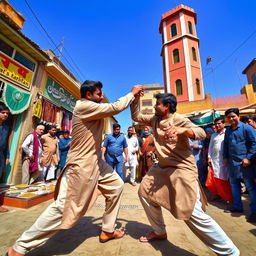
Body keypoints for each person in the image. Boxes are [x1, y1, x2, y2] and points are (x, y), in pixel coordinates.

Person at [7, 80, 144, 256]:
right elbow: (115, 107)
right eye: (98, 94)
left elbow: (118, 109)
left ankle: (108, 229)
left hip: (97, 162)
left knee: (117, 186)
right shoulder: (84, 106)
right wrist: (131, 93)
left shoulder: (93, 108)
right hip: (81, 165)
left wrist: (133, 99)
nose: (101, 97)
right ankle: (19, 248)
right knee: (63, 207)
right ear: (88, 95)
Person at [131, 93, 240, 256]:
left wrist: (183, 130)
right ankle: (159, 231)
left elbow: (201, 133)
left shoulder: (179, 119)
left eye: (157, 104)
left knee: (191, 211)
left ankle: (230, 252)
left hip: (182, 169)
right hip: (162, 168)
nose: (155, 107)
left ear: (167, 106)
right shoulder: (154, 119)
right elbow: (137, 116)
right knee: (144, 192)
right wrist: (134, 98)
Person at [223, 108, 256, 223]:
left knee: (250, 187)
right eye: (229, 117)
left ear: (238, 116)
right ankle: (237, 207)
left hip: (245, 163)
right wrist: (225, 157)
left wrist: (249, 157)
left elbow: (254, 143)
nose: (231, 119)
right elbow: (225, 145)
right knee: (234, 185)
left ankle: (254, 212)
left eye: (233, 116)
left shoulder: (247, 128)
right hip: (232, 164)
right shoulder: (228, 131)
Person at [207, 117, 232, 203]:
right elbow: (210, 147)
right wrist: (209, 157)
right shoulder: (214, 135)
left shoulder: (228, 133)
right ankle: (218, 195)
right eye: (215, 124)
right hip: (214, 161)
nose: (217, 125)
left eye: (219, 123)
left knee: (224, 180)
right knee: (213, 180)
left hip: (224, 161)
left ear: (223, 124)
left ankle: (228, 198)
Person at [0, 103, 10, 213]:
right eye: (3, 113)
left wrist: (7, 155)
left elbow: (6, 142)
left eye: (7, 113)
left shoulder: (6, 128)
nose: (5, 115)